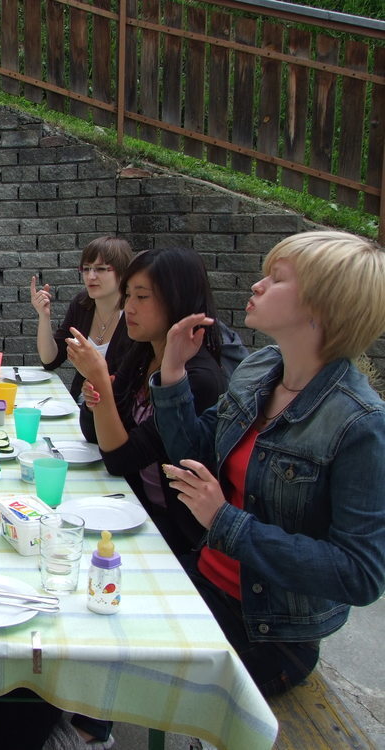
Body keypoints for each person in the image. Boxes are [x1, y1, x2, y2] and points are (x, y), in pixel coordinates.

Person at [152, 231, 385, 697]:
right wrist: (173, 373)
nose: (257, 285)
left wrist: (225, 521)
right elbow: (196, 452)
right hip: (203, 579)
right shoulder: (261, 367)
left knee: (102, 654)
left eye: (276, 279)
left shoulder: (360, 423)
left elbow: (360, 574)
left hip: (267, 635)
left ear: (323, 306)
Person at [67, 248, 227, 555]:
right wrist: (96, 394)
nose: (129, 307)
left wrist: (100, 380)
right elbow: (93, 434)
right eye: (127, 296)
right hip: (131, 505)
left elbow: (120, 459)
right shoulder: (142, 352)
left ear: (177, 300)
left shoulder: (198, 378)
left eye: (142, 297)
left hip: (174, 534)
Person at [30, 237, 134, 401]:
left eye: (100, 269)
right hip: (80, 407)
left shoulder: (132, 314)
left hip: (116, 411)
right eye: (86, 269)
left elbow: (130, 384)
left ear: (122, 272)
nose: (91, 276)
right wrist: (44, 316)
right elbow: (50, 360)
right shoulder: (82, 305)